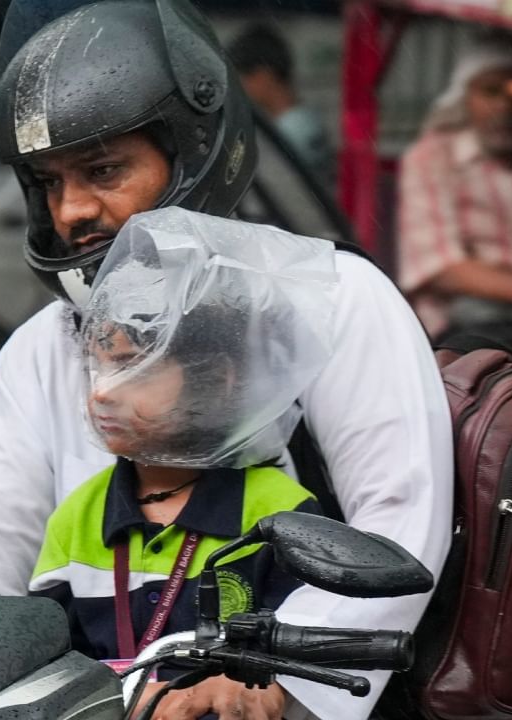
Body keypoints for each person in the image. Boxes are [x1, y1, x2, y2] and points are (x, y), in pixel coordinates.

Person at [0, 3, 453, 720]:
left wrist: (274, 677)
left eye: (102, 170)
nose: (71, 211)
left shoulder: (330, 302)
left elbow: (399, 523)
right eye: (48, 183)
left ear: (192, 153)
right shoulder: (48, 344)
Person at [30, 212, 327, 690]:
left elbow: (302, 657)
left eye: (134, 368)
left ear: (215, 380)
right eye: (98, 368)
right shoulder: (76, 520)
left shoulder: (279, 512)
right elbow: (52, 667)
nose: (103, 393)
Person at [396, 38, 512, 348]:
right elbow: (441, 268)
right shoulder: (432, 157)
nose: (505, 106)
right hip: (464, 328)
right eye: (491, 92)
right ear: (466, 98)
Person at [228, 22, 334, 188]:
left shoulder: (290, 132)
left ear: (264, 75)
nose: (241, 88)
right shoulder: (308, 120)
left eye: (243, 79)